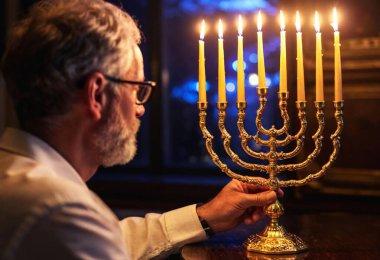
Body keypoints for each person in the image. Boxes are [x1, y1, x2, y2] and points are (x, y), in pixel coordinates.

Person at [0, 0, 280, 259]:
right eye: (136, 89)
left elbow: (114, 240)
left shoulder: (22, 182)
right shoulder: (59, 211)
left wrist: (204, 217)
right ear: (97, 94)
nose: (140, 108)